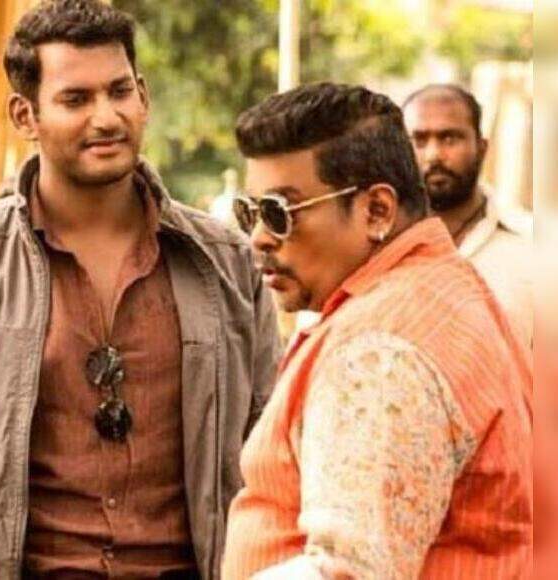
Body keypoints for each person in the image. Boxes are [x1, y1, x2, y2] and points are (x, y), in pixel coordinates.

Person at [0, 1, 281, 578]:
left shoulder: (226, 264)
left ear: (143, 96)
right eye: (76, 99)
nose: (106, 117)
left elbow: (273, 454)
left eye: (119, 91)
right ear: (25, 115)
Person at [221, 82, 531, 578]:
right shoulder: (432, 289)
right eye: (250, 212)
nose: (258, 237)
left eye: (279, 212)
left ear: (377, 210)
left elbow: (348, 571)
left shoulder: (380, 352)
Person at [403, 83, 533, 345]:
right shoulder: (374, 245)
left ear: (482, 147)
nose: (434, 155)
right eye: (419, 140)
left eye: (449, 138)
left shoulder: (533, 246)